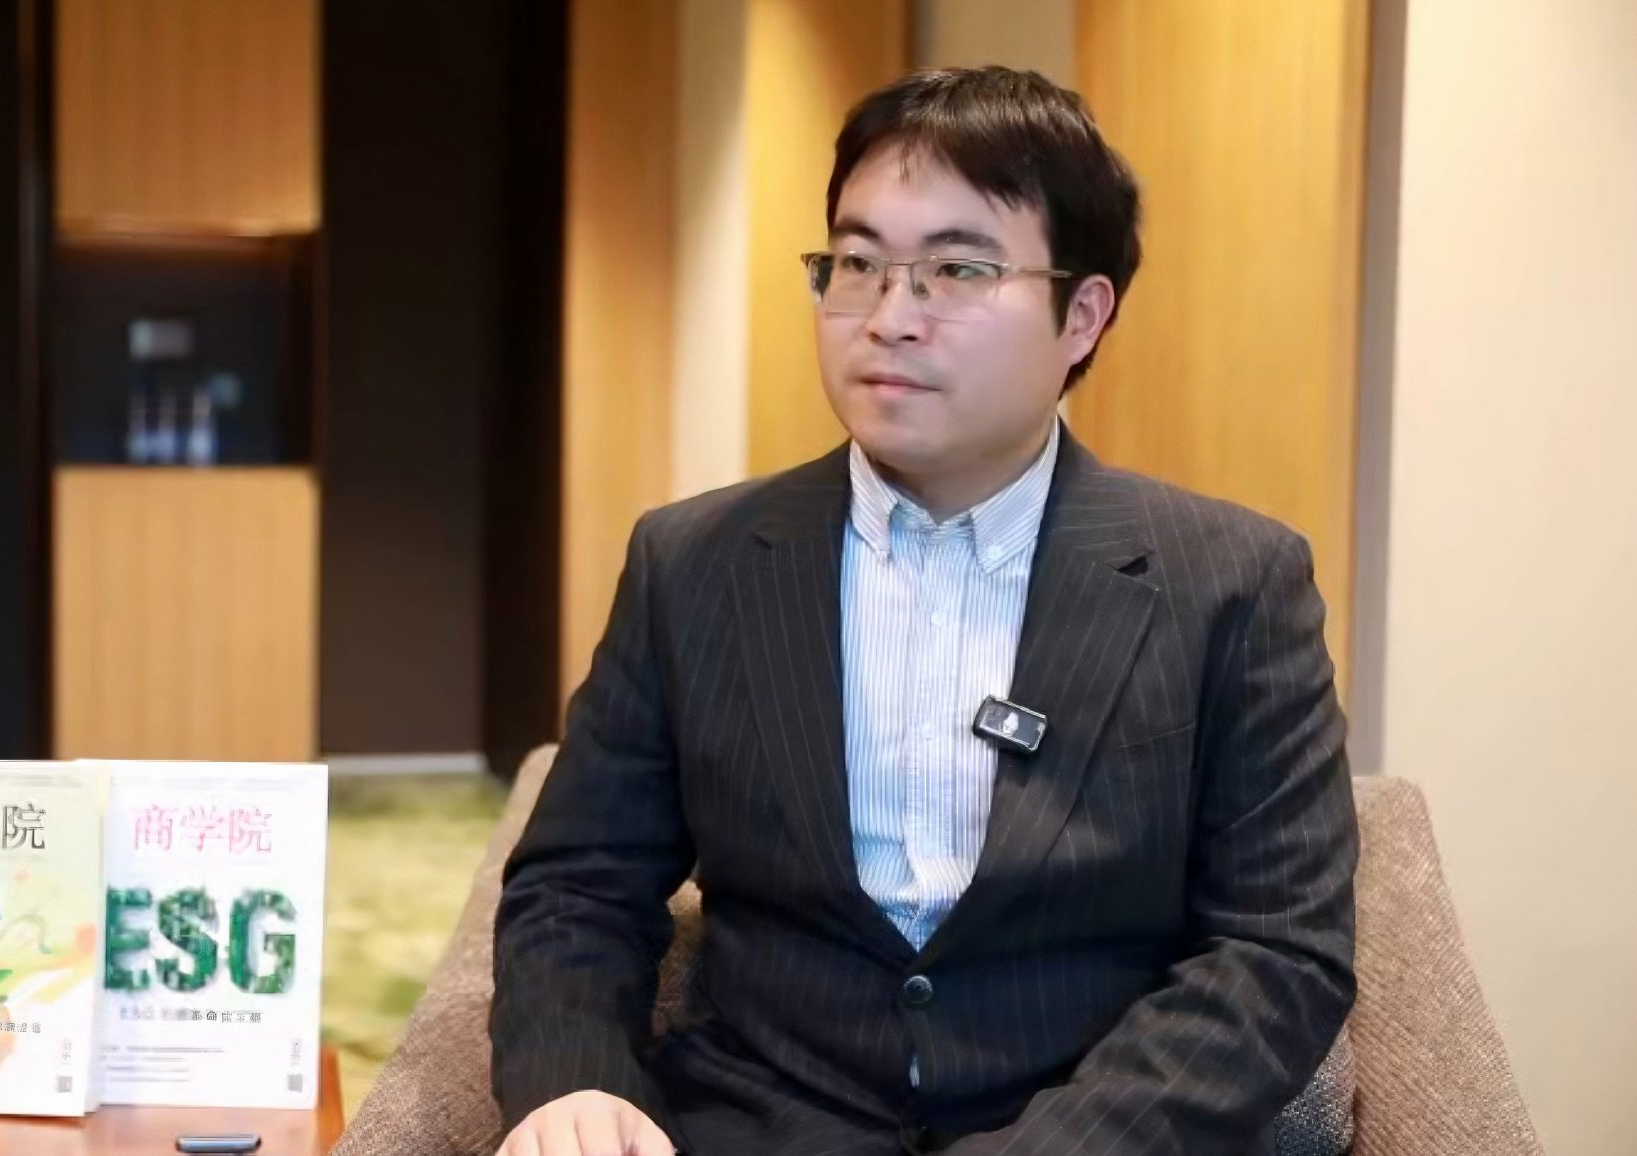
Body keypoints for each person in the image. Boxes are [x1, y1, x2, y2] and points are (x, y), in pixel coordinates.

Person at [491, 66, 1357, 1156]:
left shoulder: (1230, 581)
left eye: (956, 269)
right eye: (857, 263)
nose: (889, 318)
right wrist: (575, 1081)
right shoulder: (694, 563)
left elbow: (1278, 950)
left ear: (1082, 315)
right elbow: (577, 886)